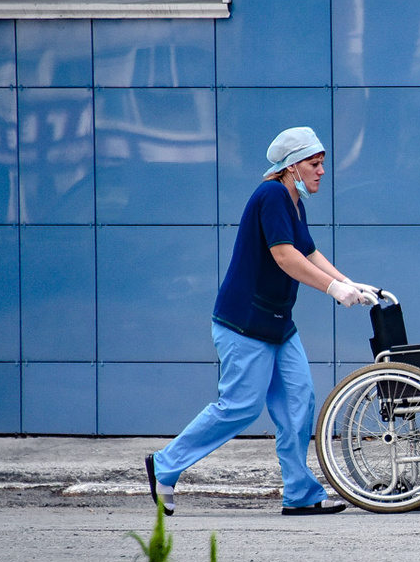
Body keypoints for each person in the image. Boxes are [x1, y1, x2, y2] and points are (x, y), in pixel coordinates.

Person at [144, 126, 376, 516]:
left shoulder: (293, 201)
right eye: (314, 164)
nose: (322, 171)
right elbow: (286, 257)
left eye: (322, 164)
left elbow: (309, 251)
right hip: (245, 323)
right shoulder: (270, 195)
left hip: (277, 324)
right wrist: (334, 290)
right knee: (239, 407)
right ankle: (165, 464)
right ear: (290, 167)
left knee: (299, 403)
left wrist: (347, 281)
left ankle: (300, 494)